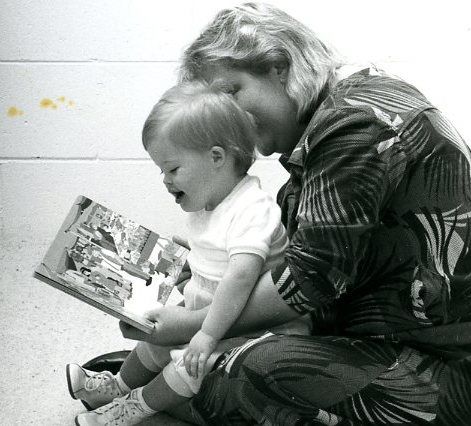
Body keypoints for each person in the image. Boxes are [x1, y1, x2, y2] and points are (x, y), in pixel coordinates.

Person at [85, 3, 471, 425]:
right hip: (382, 342)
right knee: (226, 342)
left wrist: (193, 326)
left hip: (443, 382)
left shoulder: (355, 128)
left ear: (278, 68)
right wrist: (212, 264)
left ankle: (165, 396)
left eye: (230, 92)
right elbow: (306, 259)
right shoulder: (340, 116)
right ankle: (176, 378)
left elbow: (309, 280)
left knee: (257, 363)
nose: (227, 119)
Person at [66, 81, 310, 425]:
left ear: (216, 158)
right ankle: (117, 386)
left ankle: (134, 407)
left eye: (173, 169)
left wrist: (206, 335)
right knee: (154, 344)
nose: (165, 180)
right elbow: (216, 263)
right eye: (162, 171)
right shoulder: (209, 204)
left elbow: (241, 275)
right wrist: (188, 264)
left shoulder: (252, 208)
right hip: (219, 317)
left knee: (188, 363)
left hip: (261, 333)